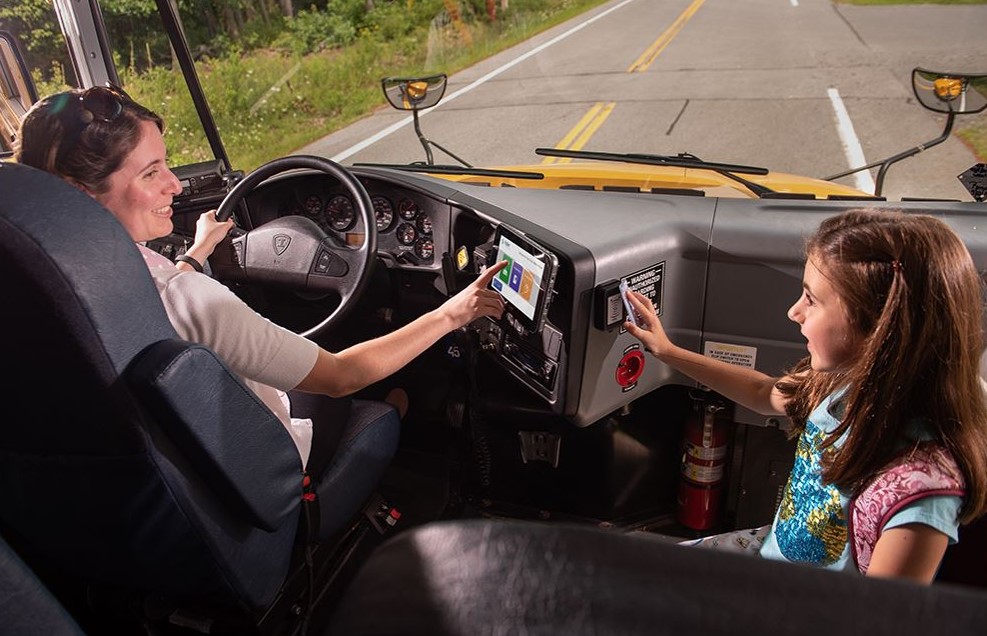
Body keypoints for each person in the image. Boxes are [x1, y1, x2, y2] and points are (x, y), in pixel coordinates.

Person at [15, 85, 507, 476]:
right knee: (380, 391)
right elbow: (341, 376)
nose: (177, 185)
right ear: (81, 194)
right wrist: (449, 313)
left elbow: (163, 294)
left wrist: (199, 252)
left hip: (162, 471)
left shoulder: (45, 289)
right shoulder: (192, 300)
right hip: (265, 465)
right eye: (151, 173)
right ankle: (395, 416)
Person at [624, 210, 987, 583]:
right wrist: (667, 352)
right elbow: (764, 392)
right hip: (768, 553)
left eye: (812, 300)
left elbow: (878, 618)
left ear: (880, 328)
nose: (793, 312)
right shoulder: (844, 381)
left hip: (808, 605)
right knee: (626, 575)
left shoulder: (921, 488)